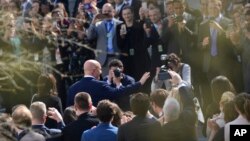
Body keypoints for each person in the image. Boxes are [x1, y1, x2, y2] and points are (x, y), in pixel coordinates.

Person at [67, 59, 150, 106]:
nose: (101, 72)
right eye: (100, 69)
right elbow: (119, 92)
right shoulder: (100, 85)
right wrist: (140, 83)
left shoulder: (72, 88)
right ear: (94, 70)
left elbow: (69, 110)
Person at [86, 3, 123, 76]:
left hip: (116, 58)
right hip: (103, 59)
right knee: (105, 83)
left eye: (109, 11)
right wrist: (93, 22)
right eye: (105, 11)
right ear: (102, 13)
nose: (107, 13)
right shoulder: (97, 24)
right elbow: (89, 36)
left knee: (117, 81)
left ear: (113, 11)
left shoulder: (120, 24)